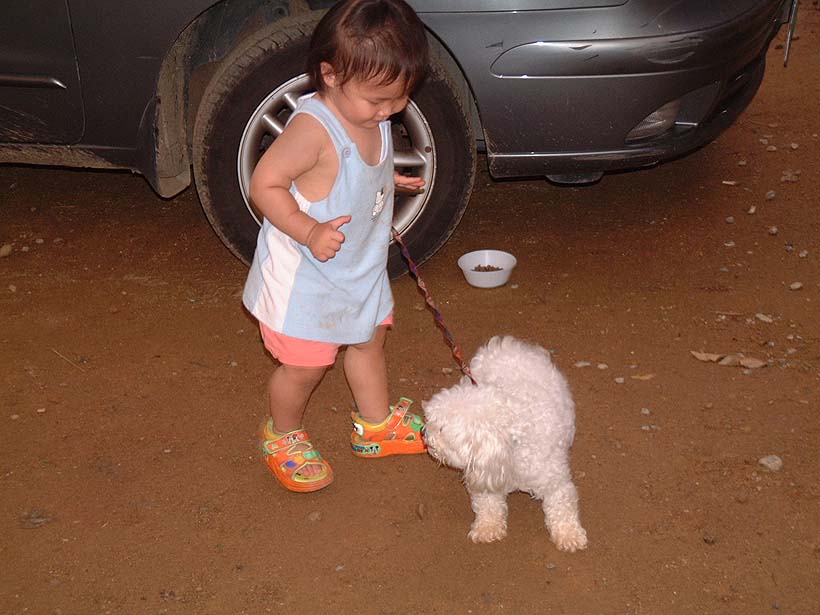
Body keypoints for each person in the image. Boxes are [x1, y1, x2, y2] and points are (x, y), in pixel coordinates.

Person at [243, 0, 430, 493]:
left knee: (369, 340)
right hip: (307, 280)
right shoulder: (312, 129)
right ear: (330, 75)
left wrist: (385, 180)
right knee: (305, 366)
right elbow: (265, 184)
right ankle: (282, 435)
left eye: (399, 99)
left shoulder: (370, 114)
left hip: (357, 268)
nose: (388, 111)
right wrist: (307, 229)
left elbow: (352, 169)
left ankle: (376, 425)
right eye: (378, 100)